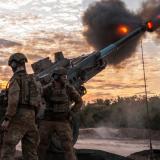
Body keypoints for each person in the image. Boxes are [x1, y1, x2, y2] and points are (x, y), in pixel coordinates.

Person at [0, 53, 41, 160]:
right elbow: (39, 102)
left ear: (13, 64)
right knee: (31, 153)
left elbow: (13, 102)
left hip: (18, 117)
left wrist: (7, 119)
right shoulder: (34, 80)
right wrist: (33, 115)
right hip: (32, 118)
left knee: (8, 149)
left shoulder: (15, 79)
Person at [38, 67, 83, 160]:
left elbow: (79, 101)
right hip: (48, 121)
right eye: (63, 76)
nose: (65, 78)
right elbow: (37, 99)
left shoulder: (69, 89)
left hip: (63, 122)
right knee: (41, 146)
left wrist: (71, 113)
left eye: (65, 76)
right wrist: (40, 109)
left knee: (68, 147)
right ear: (56, 77)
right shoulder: (47, 89)